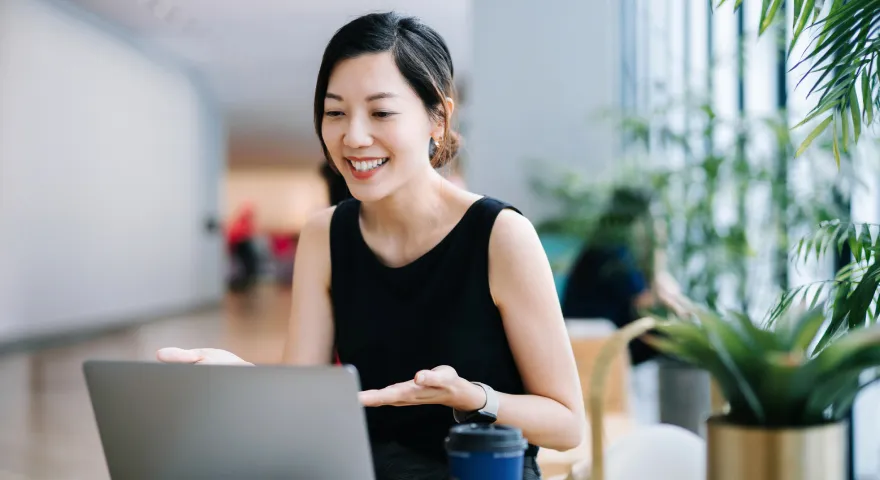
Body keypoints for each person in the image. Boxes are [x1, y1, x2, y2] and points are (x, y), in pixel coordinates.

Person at [157, 12, 584, 480]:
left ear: (438, 118)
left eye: (381, 112)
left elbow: (566, 425)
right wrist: (243, 376)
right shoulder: (325, 235)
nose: (354, 137)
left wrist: (472, 397)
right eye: (335, 112)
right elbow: (304, 402)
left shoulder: (500, 235)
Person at [561, 187, 691, 365]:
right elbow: (647, 301)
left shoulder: (604, 246)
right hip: (596, 339)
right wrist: (658, 255)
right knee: (669, 336)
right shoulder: (613, 254)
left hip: (594, 334)